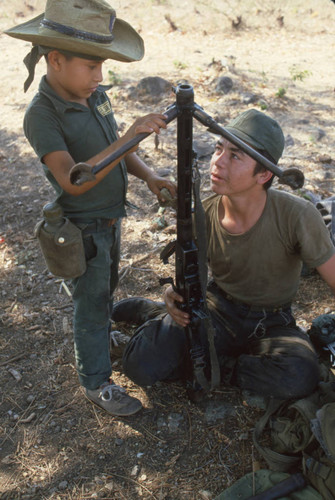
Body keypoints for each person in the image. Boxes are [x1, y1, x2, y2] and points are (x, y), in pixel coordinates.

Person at [5, 0, 175, 416]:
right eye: (90, 66)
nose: (99, 77)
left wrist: (149, 174)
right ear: (56, 59)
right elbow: (73, 180)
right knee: (91, 304)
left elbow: (114, 147)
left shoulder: (94, 96)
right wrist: (134, 132)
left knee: (102, 292)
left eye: (103, 67)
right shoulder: (42, 116)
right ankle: (96, 382)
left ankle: (99, 338)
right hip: (82, 230)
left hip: (109, 221)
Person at [112, 108, 335, 401]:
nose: (218, 162)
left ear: (264, 173)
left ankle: (218, 364)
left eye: (235, 156)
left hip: (271, 322)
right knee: (139, 365)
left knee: (299, 376)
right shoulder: (204, 213)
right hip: (216, 310)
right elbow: (189, 276)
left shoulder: (297, 215)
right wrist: (171, 297)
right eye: (219, 149)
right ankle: (155, 315)